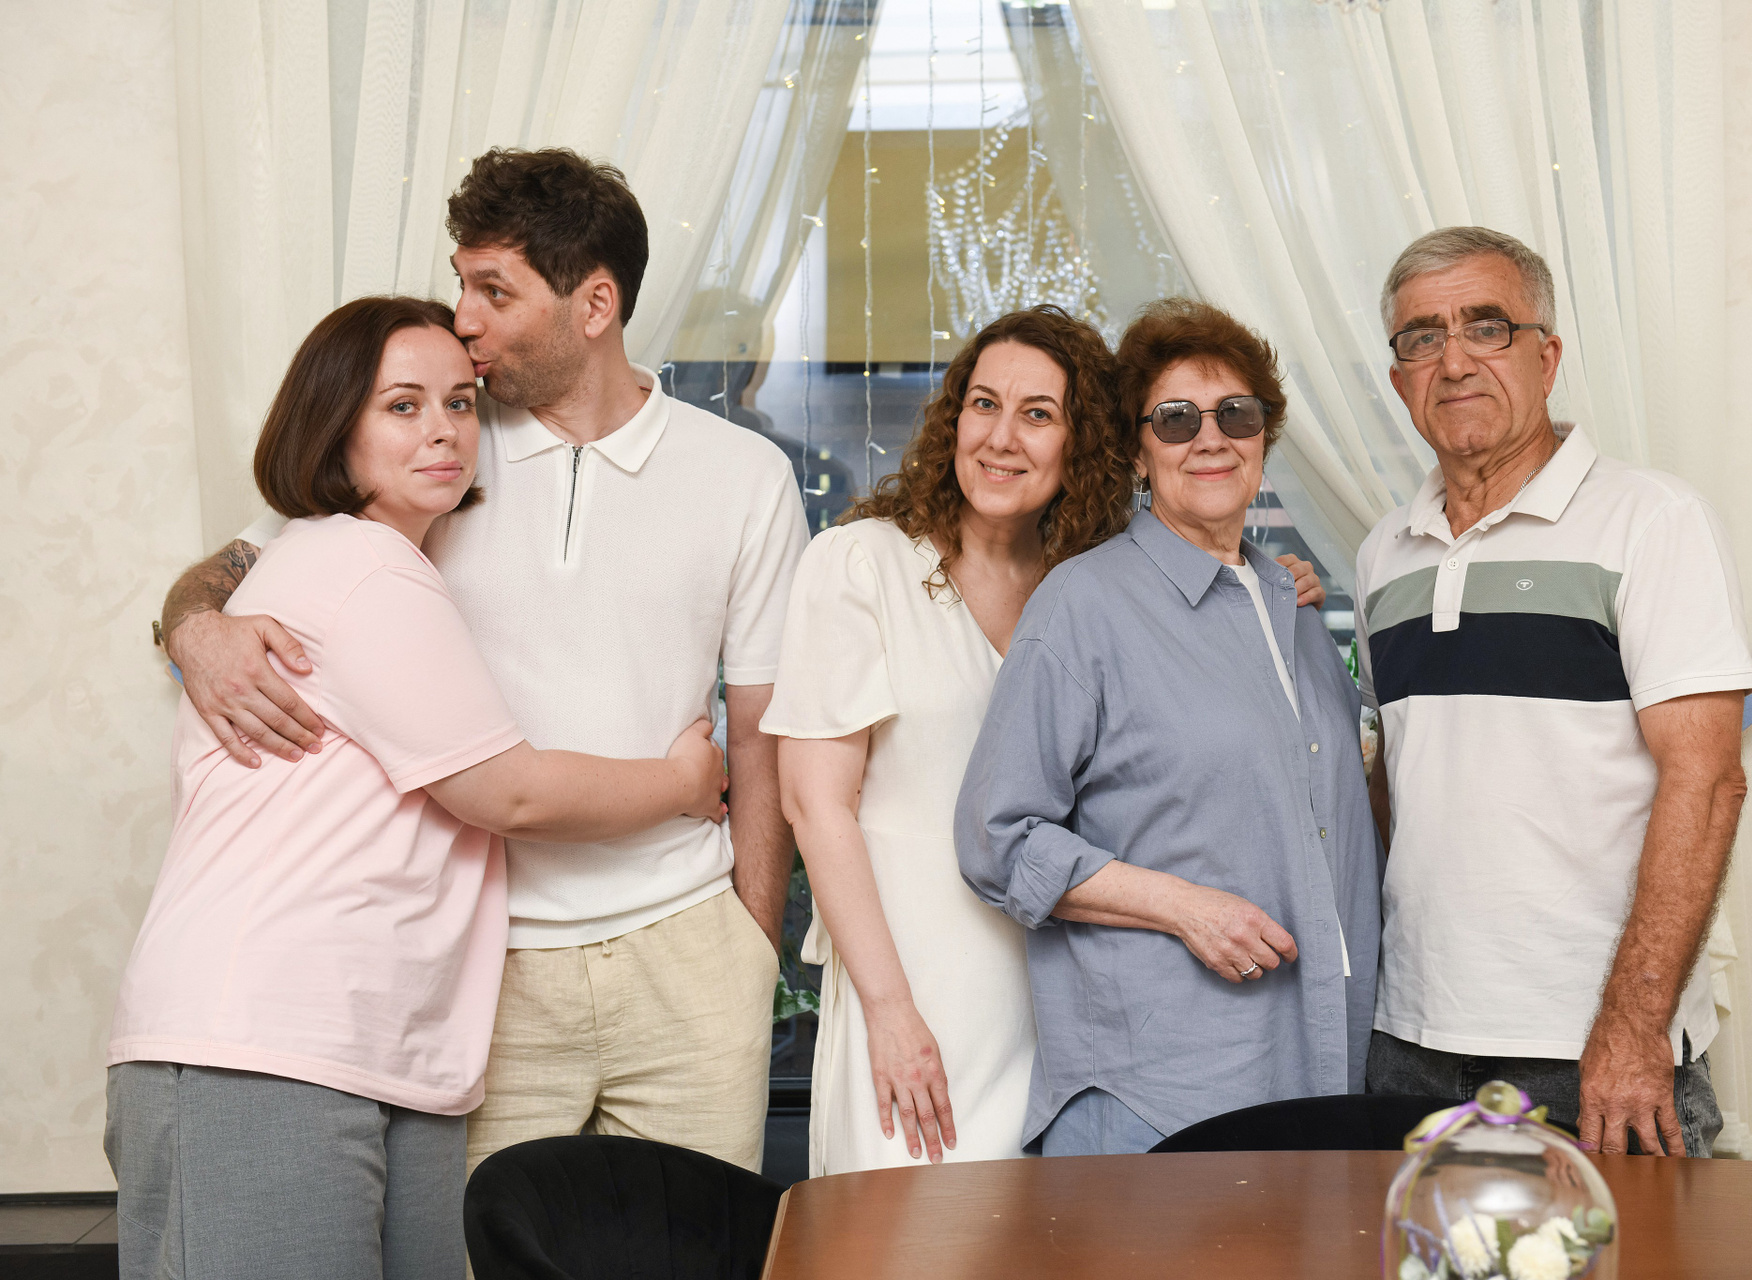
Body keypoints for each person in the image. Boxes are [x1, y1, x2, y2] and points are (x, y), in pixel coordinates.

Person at [157, 148, 809, 1175]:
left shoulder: (745, 474)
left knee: (696, 1241)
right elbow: (244, 565)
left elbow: (765, 735)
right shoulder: (433, 442)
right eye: (461, 282)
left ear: (595, 305)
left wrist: (752, 948)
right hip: (484, 958)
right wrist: (194, 626)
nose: (463, 318)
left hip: (690, 950)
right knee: (478, 1246)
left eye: (493, 291)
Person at [108, 297, 729, 1279]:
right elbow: (509, 792)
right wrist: (683, 780)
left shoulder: (378, 560)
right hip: (262, 1037)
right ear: (334, 427)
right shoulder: (355, 564)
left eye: (459, 402)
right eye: (402, 405)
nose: (443, 429)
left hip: (384, 1048)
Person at [768, 307, 1202, 1176]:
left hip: (1055, 1004)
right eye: (984, 404)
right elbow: (815, 809)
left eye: (1038, 414)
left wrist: (1278, 585)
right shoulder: (863, 564)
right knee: (896, 1233)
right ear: (953, 419)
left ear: (1082, 443)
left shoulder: (1088, 593)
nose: (1002, 437)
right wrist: (891, 1013)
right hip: (910, 993)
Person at [1357, 226, 1752, 1157]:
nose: (1455, 359)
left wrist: (1633, 1026)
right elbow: (1395, 781)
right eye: (1423, 337)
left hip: (1591, 1050)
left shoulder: (1653, 521)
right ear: (1400, 380)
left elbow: (1707, 783)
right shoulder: (1383, 554)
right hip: (1408, 1041)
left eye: (1486, 326)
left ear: (1548, 356)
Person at [955, 298, 1377, 1157]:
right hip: (1154, 1097)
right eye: (1177, 419)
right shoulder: (1084, 604)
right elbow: (998, 839)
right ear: (1139, 450)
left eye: (1237, 415)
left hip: (1316, 1079)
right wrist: (1186, 908)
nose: (1210, 439)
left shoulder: (1294, 610)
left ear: (1265, 438)